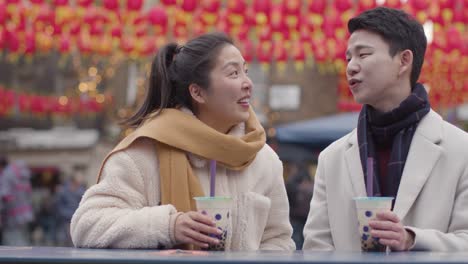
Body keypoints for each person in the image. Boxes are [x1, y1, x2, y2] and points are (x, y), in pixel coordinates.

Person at [70, 32, 295, 250]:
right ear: (198, 93)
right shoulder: (145, 152)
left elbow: (278, 241)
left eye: (245, 72)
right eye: (233, 74)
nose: (248, 83)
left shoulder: (263, 158)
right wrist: (169, 226)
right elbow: (87, 224)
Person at [303, 7, 468, 251]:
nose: (351, 67)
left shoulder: (461, 149)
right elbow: (316, 247)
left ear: (404, 61)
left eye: (363, 55)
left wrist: (412, 239)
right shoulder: (331, 158)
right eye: (349, 58)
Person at [0, 158, 34, 246]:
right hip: (25, 215)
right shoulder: (21, 174)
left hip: (11, 218)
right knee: (24, 242)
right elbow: (29, 194)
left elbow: (5, 196)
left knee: (10, 244)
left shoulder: (6, 175)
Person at [285, 163, 314, 249]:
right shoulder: (309, 182)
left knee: (296, 240)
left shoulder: (292, 181)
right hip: (306, 216)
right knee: (305, 238)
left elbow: (289, 198)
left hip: (295, 217)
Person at [56, 170, 86, 246]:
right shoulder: (63, 190)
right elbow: (59, 205)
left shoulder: (81, 190)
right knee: (66, 237)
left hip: (78, 217)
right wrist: (65, 214)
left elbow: (84, 203)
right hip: (66, 217)